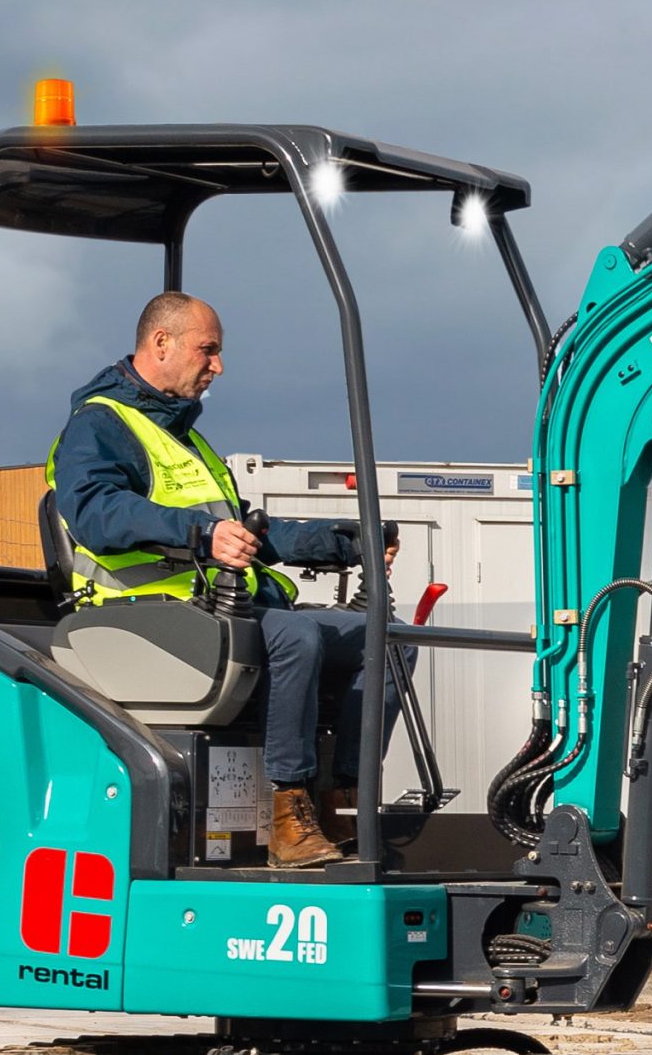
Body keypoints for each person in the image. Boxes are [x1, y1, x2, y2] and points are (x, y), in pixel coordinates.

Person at [46, 290, 400, 867]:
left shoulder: (185, 440)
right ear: (161, 343)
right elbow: (95, 513)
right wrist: (200, 534)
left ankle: (343, 800)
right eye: (207, 351)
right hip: (142, 619)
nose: (218, 367)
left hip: (209, 613)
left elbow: (247, 532)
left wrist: (347, 541)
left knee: (386, 640)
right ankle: (288, 814)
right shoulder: (100, 425)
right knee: (295, 635)